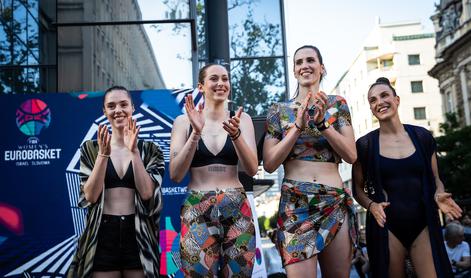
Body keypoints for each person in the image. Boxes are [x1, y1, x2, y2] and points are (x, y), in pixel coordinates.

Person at [352, 77, 463, 277]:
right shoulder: (365, 145)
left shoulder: (422, 137)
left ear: (397, 100)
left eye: (384, 95)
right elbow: (357, 189)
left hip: (423, 223)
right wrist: (371, 205)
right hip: (387, 226)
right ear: (371, 108)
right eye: (373, 100)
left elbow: (436, 179)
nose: (379, 102)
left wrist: (439, 194)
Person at [263, 45, 358, 277]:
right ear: (294, 71)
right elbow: (270, 163)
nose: (305, 65)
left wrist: (323, 123)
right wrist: (298, 125)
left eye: (310, 60)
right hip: (297, 204)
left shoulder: (338, 104)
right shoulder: (278, 110)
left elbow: (351, 155)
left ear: (321, 68)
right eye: (299, 62)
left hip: (333, 201)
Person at [169, 64, 258, 277]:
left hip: (236, 207)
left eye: (225, 79)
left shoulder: (242, 119)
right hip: (197, 207)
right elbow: (176, 174)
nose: (221, 83)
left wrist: (236, 135)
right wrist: (195, 134)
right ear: (201, 86)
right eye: (214, 78)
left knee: (240, 274)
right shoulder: (183, 122)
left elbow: (252, 168)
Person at [68, 86, 164, 278]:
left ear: (132, 108)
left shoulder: (150, 149)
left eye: (123, 104)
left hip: (138, 233)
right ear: (105, 111)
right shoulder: (91, 149)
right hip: (103, 234)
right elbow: (90, 196)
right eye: (111, 106)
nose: (118, 110)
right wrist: (103, 155)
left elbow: (147, 194)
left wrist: (134, 152)